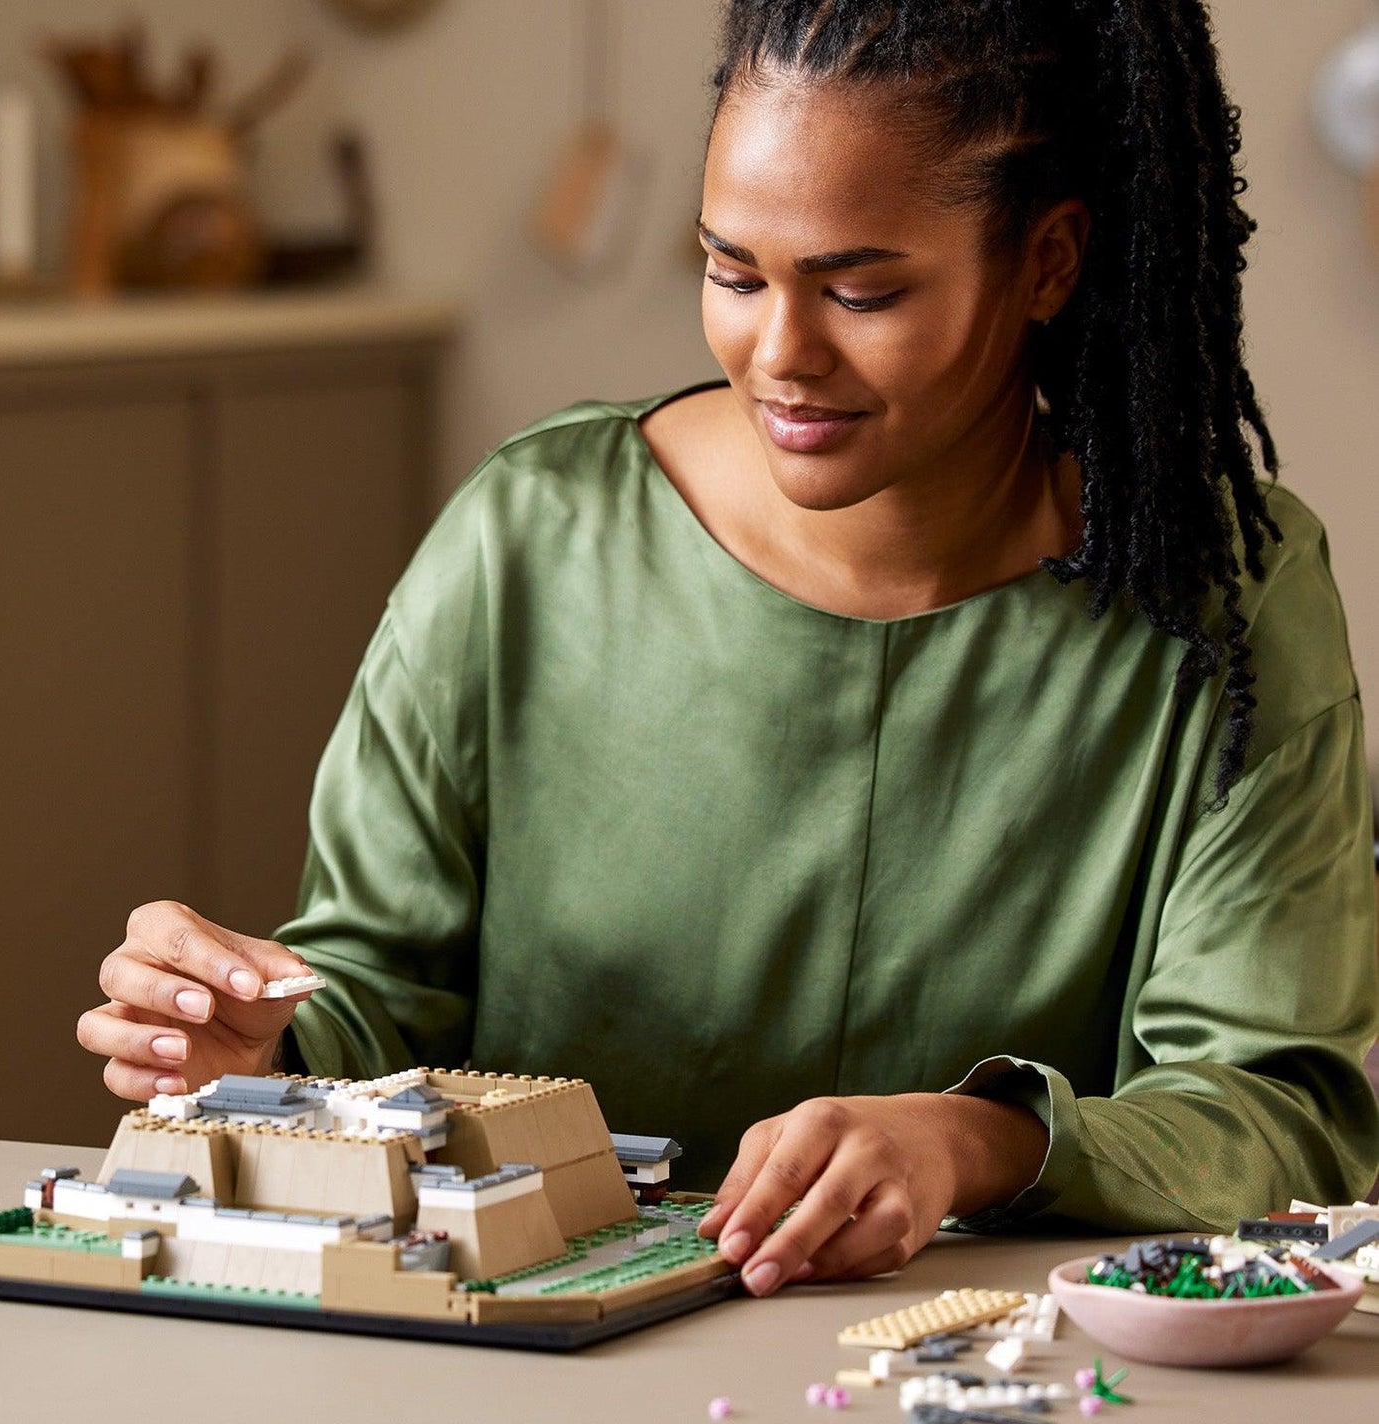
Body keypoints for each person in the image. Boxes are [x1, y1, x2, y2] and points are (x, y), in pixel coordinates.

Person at [77, 0, 1379, 1299]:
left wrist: (977, 1140)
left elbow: (1278, 1108)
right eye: (732, 271)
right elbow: (380, 993)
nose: (779, 355)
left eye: (860, 289)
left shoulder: (1226, 599)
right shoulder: (528, 537)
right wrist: (258, 1044)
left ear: (1046, 261)